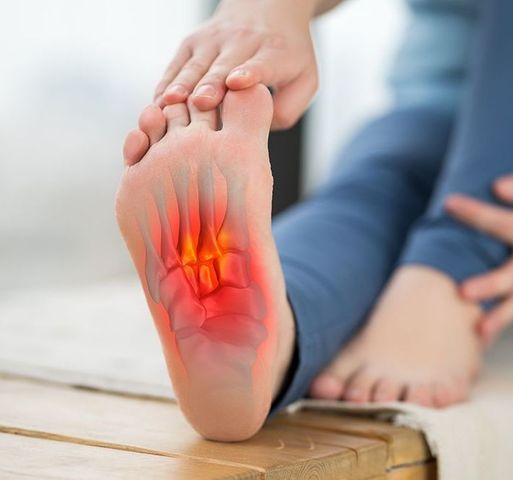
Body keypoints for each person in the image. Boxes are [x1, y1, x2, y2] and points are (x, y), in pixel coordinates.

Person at [115, 0, 513, 441]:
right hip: (437, 119)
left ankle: (433, 280)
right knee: (373, 196)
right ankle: (275, 331)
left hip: (438, 112)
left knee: (365, 201)